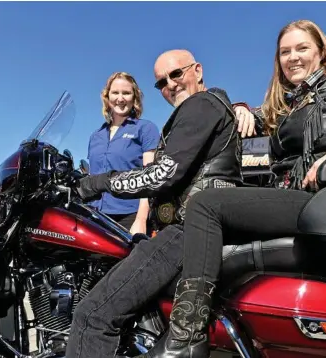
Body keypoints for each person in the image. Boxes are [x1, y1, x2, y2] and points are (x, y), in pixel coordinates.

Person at [136, 19, 326, 358]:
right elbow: (251, 119)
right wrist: (241, 110)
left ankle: (185, 339)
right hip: (292, 198)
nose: (293, 57)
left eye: (302, 48)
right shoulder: (287, 104)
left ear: (320, 51)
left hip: (321, 201)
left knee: (206, 204)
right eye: (285, 52)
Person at [66, 49, 246, 358]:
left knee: (91, 316)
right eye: (162, 82)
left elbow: (162, 174)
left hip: (188, 229)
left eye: (176, 74)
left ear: (198, 71)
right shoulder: (207, 106)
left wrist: (95, 183)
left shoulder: (201, 104)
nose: (170, 85)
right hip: (192, 225)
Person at [87, 72, 160, 234]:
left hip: (129, 215)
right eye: (115, 93)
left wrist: (141, 220)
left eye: (126, 93)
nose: (120, 98)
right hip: (95, 215)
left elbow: (151, 179)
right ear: (107, 97)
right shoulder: (95, 136)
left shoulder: (145, 129)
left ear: (135, 98)